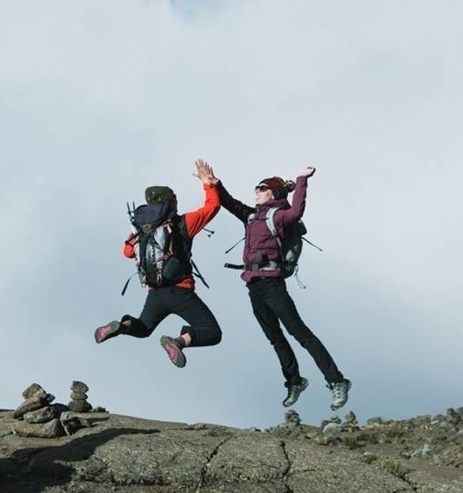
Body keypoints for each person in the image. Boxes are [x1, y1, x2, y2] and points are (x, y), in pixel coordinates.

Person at [216, 166, 351, 409]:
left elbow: (297, 210)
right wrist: (214, 183)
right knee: (275, 338)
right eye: (257, 188)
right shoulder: (252, 216)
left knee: (301, 334)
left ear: (274, 193)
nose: (256, 191)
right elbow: (228, 202)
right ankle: (294, 381)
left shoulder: (279, 216)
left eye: (262, 188)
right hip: (254, 286)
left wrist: (302, 180)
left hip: (272, 285)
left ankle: (337, 381)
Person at [94, 159, 223, 368]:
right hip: (181, 292)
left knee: (143, 328)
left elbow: (127, 252)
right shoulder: (183, 223)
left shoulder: (140, 229)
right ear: (170, 202)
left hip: (155, 293)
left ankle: (121, 326)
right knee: (211, 332)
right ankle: (178, 342)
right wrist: (208, 183)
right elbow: (213, 206)